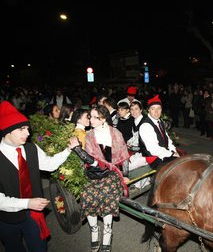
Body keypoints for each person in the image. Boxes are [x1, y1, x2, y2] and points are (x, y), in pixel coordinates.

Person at [0, 101, 79, 252]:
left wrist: (68, 149)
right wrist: (27, 203)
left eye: (28, 128)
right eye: (22, 129)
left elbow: (49, 164)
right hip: (6, 219)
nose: (28, 133)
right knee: (14, 247)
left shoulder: (30, 148)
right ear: (7, 131)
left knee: (40, 247)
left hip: (33, 214)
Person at [76, 105, 130, 252]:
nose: (91, 120)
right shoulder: (89, 135)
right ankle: (94, 231)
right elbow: (88, 161)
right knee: (87, 195)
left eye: (95, 117)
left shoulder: (115, 133)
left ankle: (107, 232)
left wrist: (125, 176)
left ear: (104, 118)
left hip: (111, 172)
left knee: (107, 194)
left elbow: (124, 156)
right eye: (90, 117)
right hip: (94, 172)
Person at [139, 94, 179, 169]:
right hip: (154, 158)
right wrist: (171, 154)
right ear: (148, 110)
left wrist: (173, 150)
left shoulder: (159, 121)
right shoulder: (146, 126)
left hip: (164, 153)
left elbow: (167, 139)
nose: (156, 112)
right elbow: (154, 150)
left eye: (159, 108)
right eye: (153, 109)